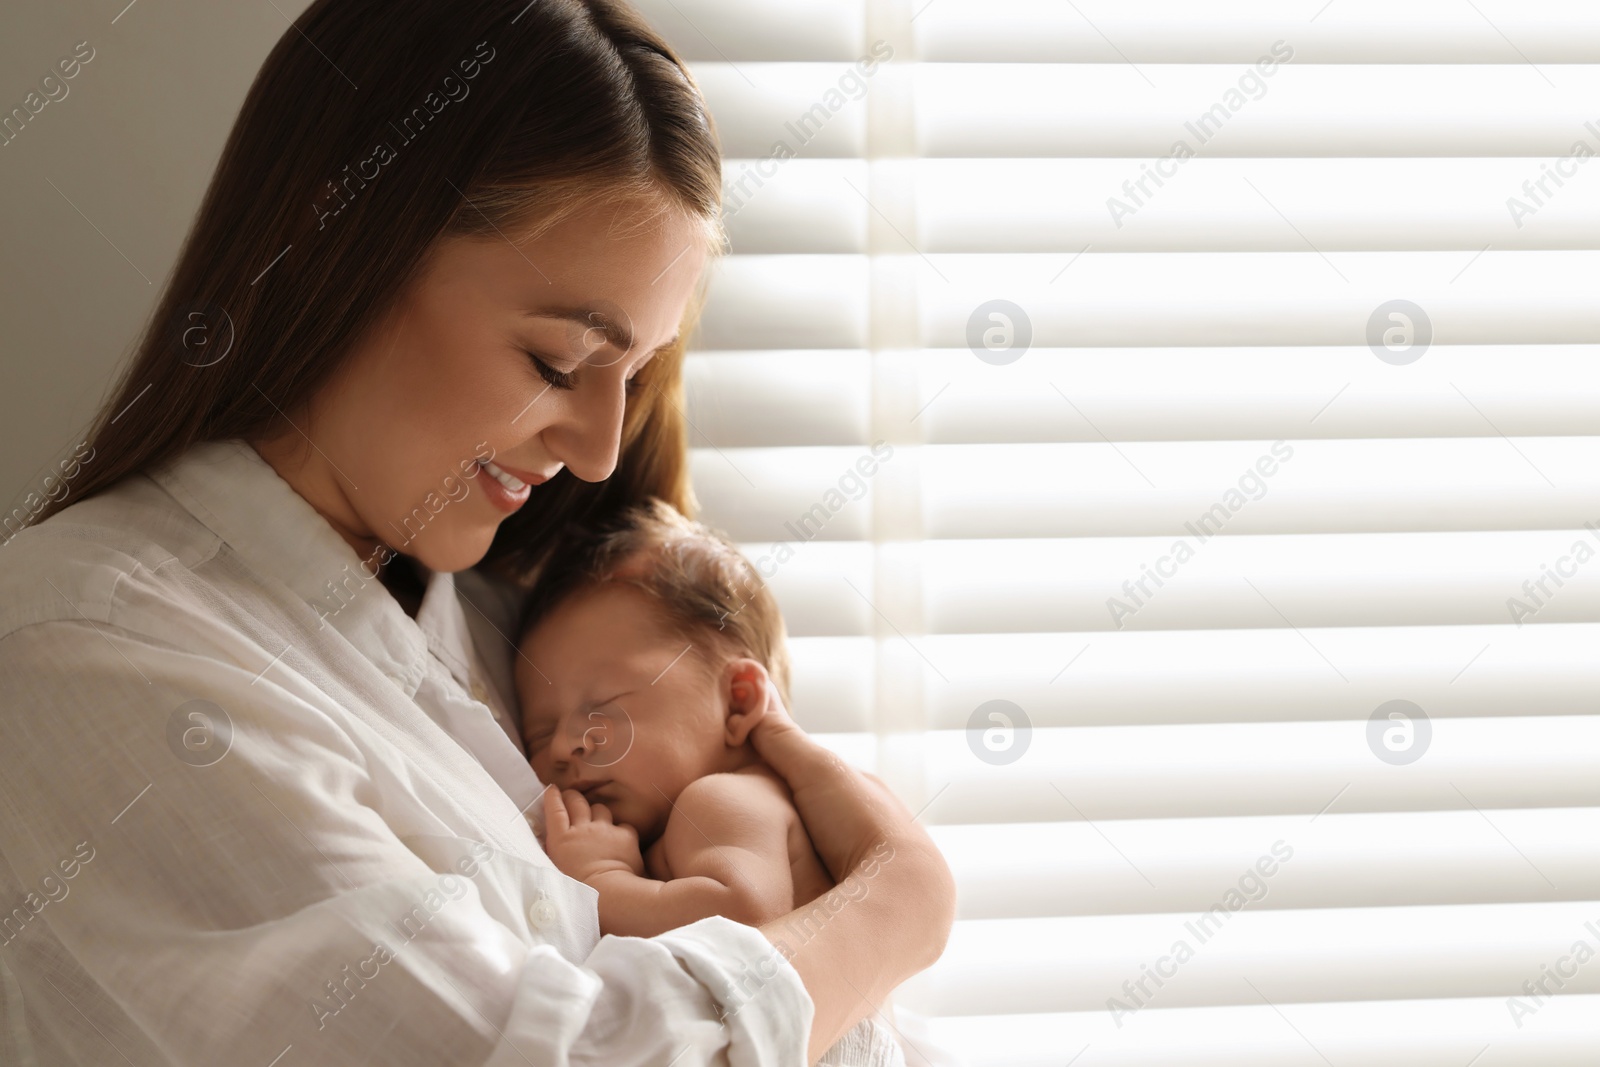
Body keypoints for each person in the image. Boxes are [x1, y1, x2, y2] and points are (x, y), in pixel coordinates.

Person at [0, 1, 956, 1065]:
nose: (598, 449)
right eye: (555, 363)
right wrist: (895, 904)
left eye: (632, 376)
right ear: (341, 241)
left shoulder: (535, 640)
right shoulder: (89, 652)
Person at [514, 497, 909, 1064]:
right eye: (538, 734)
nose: (562, 746)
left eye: (602, 706)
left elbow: (744, 914)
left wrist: (603, 876)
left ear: (738, 701)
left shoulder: (724, 798)